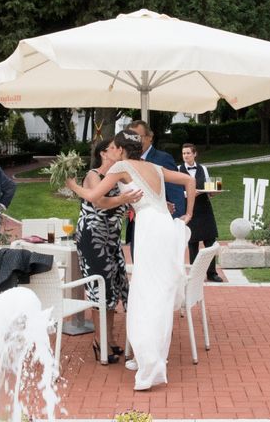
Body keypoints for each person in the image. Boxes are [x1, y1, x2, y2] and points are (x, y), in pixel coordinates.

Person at [67, 129, 196, 391]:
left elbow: (94, 198)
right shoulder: (154, 166)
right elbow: (189, 182)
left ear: (122, 150)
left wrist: (71, 184)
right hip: (166, 227)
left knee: (146, 292)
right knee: (157, 292)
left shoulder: (123, 166)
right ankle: (149, 355)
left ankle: (149, 361)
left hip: (149, 228)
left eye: (114, 147)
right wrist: (188, 214)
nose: (111, 150)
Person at [75, 139, 143, 364]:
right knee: (99, 287)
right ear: (104, 153)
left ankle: (109, 338)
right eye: (114, 147)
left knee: (114, 286)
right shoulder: (94, 175)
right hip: (93, 237)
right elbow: (100, 202)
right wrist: (123, 199)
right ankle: (99, 341)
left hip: (113, 239)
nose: (119, 150)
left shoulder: (121, 174)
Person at [178, 143, 223, 282]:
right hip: (189, 210)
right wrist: (191, 193)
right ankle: (195, 275)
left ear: (194, 154)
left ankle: (212, 273)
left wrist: (212, 192)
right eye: (184, 153)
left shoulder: (203, 168)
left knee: (210, 241)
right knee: (192, 243)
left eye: (188, 153)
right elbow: (178, 191)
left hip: (204, 209)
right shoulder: (178, 169)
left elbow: (208, 185)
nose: (185, 155)